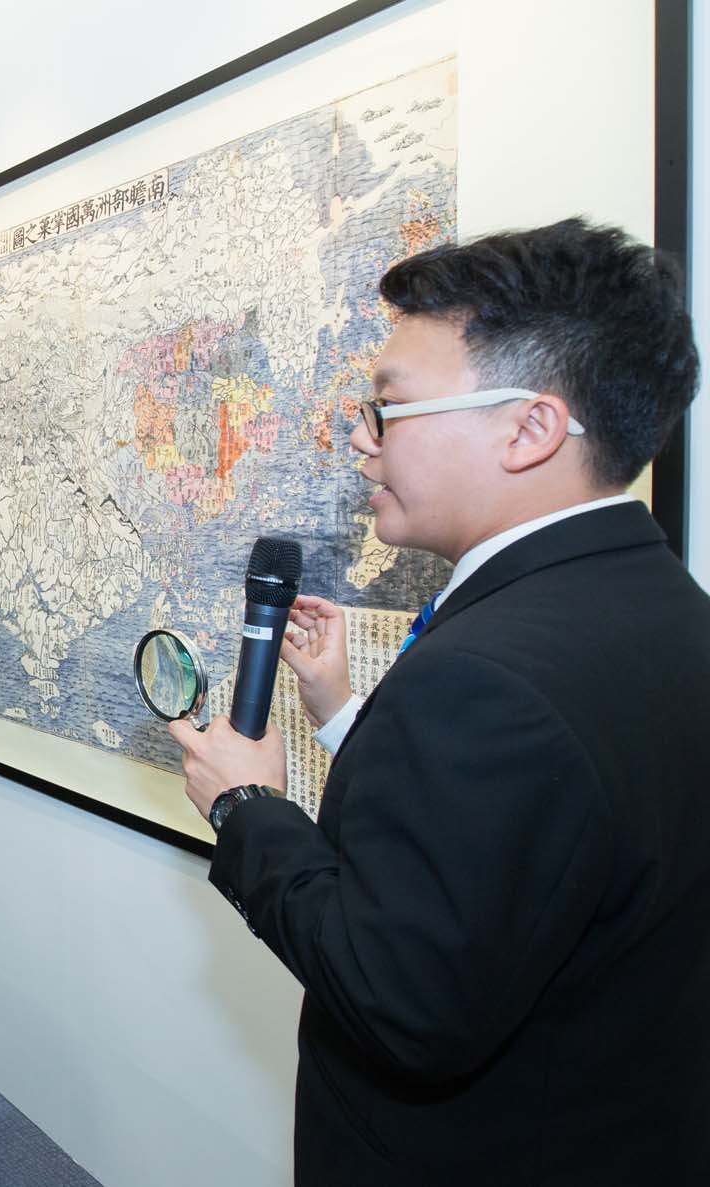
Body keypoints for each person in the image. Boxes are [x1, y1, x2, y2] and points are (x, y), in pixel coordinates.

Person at [167, 219, 710, 1184]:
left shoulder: (487, 676)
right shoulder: (663, 607)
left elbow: (399, 998)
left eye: (389, 407)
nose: (361, 439)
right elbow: (513, 848)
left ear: (529, 429)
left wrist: (246, 807)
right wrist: (345, 715)